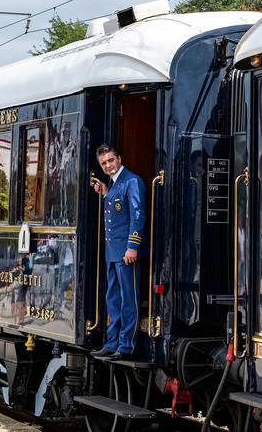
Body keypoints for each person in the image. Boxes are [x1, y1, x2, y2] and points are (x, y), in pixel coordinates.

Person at [90, 144, 146, 361]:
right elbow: (116, 212)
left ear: (119, 159)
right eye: (104, 163)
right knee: (112, 298)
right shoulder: (114, 184)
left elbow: (137, 215)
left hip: (125, 252)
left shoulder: (132, 181)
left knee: (128, 298)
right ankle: (112, 342)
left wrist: (133, 246)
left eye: (111, 160)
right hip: (113, 252)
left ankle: (126, 345)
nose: (108, 165)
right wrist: (106, 194)